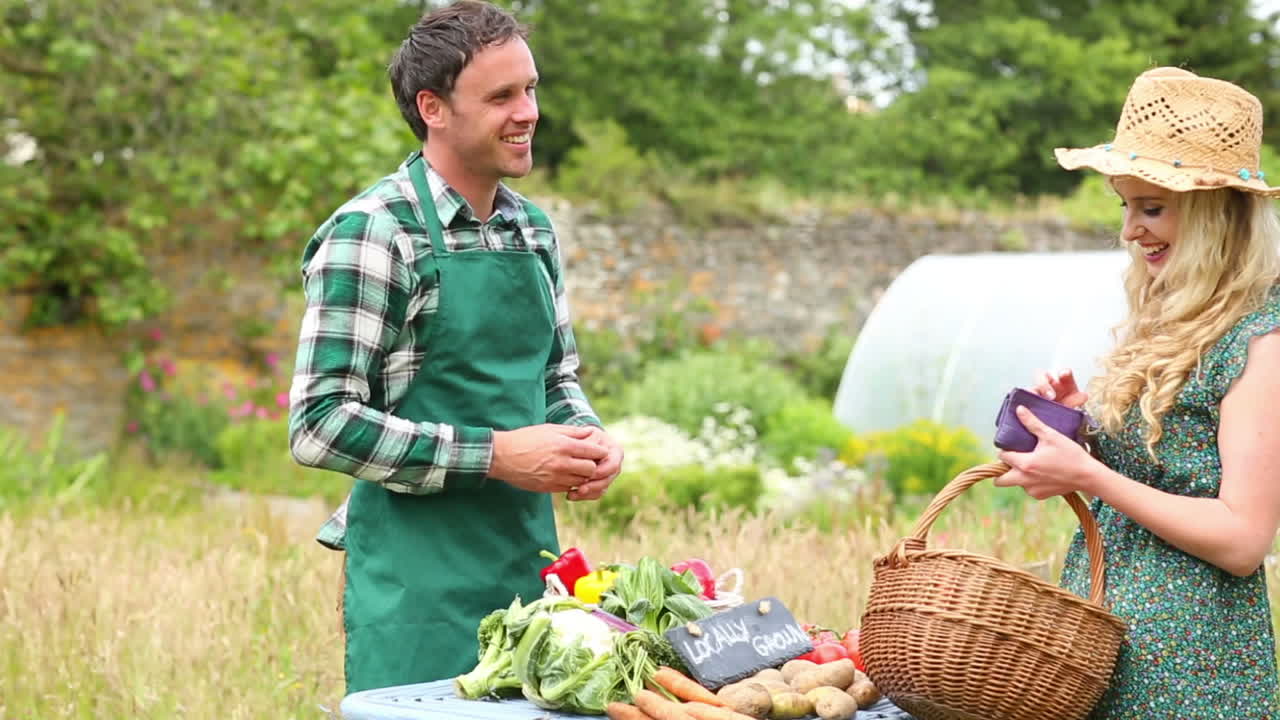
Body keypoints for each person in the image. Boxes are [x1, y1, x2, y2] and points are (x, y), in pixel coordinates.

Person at [286, 0, 623, 696]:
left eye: (529, 88)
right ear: (433, 107)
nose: (527, 111)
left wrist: (586, 436)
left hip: (528, 567)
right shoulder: (375, 233)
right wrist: (499, 455)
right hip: (416, 582)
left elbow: (556, 375)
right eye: (501, 96)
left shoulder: (531, 230)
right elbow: (319, 425)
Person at [994, 67, 1280, 718]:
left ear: (1217, 216)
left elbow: (1243, 539)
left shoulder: (1262, 339)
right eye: (1125, 206)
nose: (1130, 230)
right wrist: (1081, 427)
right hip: (1108, 646)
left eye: (1152, 208)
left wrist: (1090, 474)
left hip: (1192, 672)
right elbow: (1169, 469)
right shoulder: (1170, 316)